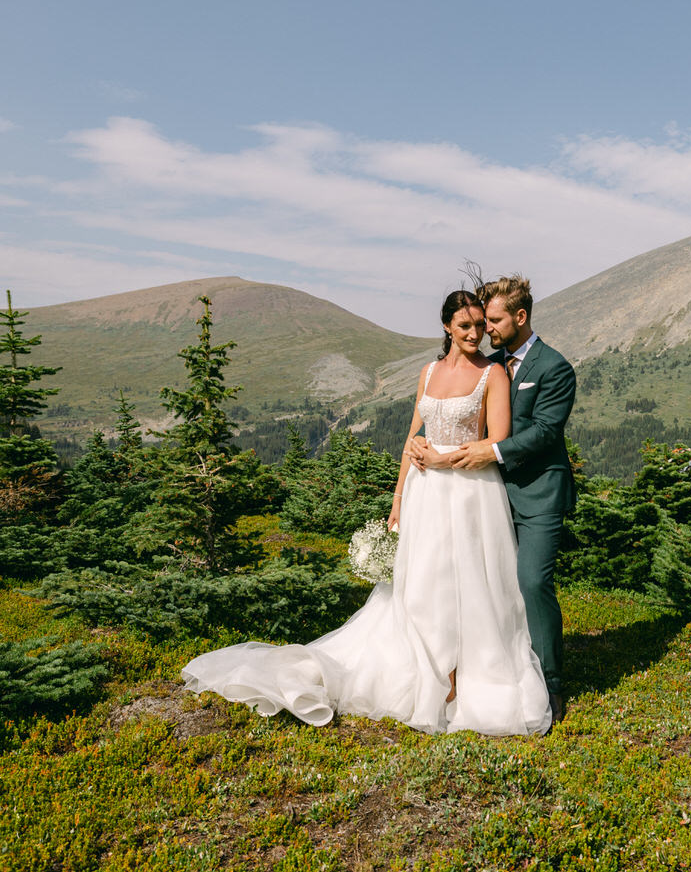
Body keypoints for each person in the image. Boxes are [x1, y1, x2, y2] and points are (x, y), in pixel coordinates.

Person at [180, 290, 551, 736]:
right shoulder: (428, 372)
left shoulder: (493, 374)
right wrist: (398, 498)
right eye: (465, 325)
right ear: (448, 328)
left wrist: (439, 458)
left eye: (479, 325)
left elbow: (496, 442)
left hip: (471, 493)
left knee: (470, 581)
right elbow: (413, 435)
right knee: (424, 582)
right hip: (425, 493)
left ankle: (463, 675)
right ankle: (430, 668)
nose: (476, 334)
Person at [410, 274, 577, 723]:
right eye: (480, 322)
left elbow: (544, 432)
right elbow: (455, 409)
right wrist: (422, 442)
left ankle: (551, 683)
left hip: (539, 492)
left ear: (519, 317)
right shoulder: (492, 363)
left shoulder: (554, 367)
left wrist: (493, 449)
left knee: (531, 583)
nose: (485, 330)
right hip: (489, 494)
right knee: (485, 585)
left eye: (494, 321)